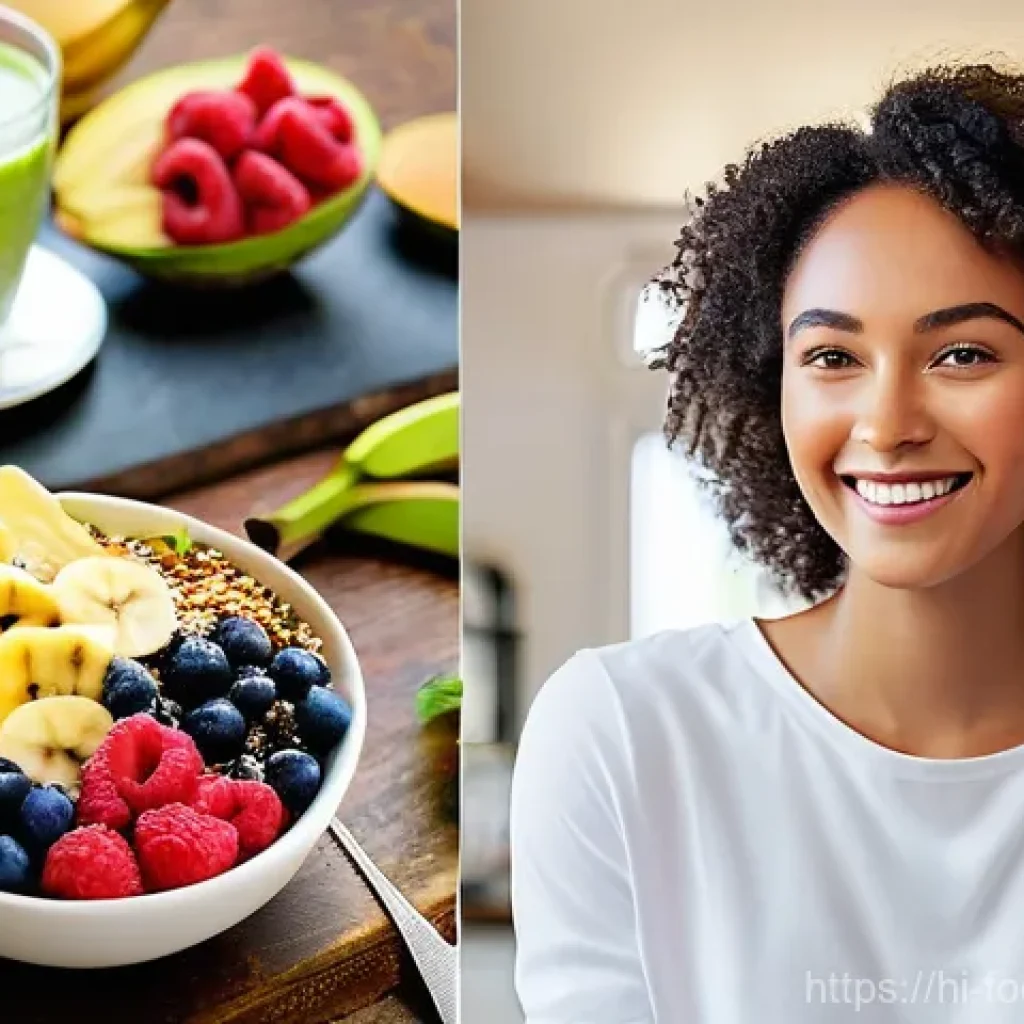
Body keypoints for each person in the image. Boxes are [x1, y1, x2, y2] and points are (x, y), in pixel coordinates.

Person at [509, 63, 1024, 1023]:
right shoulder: (622, 732)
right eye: (833, 357)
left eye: (963, 353)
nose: (887, 422)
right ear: (767, 381)